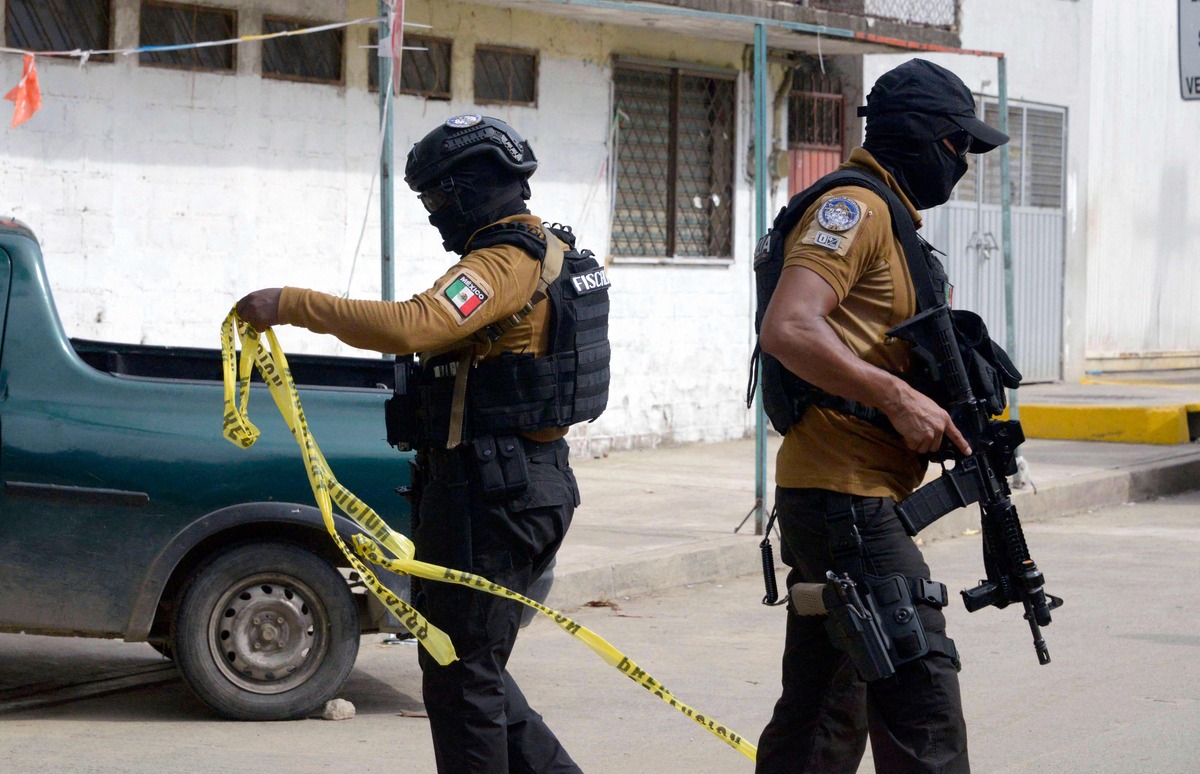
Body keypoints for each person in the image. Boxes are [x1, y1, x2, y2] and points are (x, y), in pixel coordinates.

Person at [237, 114, 610, 774]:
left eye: (438, 197)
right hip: (507, 483)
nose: (435, 215)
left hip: (495, 495)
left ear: (470, 189)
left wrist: (289, 303)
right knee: (468, 663)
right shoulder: (536, 251)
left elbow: (416, 323)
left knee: (461, 676)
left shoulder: (503, 261)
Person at [754, 59, 1010, 774]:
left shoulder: (891, 215)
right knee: (923, 708)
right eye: (960, 146)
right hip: (845, 496)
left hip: (847, 496)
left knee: (823, 716)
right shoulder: (856, 210)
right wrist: (896, 397)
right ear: (929, 140)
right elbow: (791, 327)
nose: (962, 163)